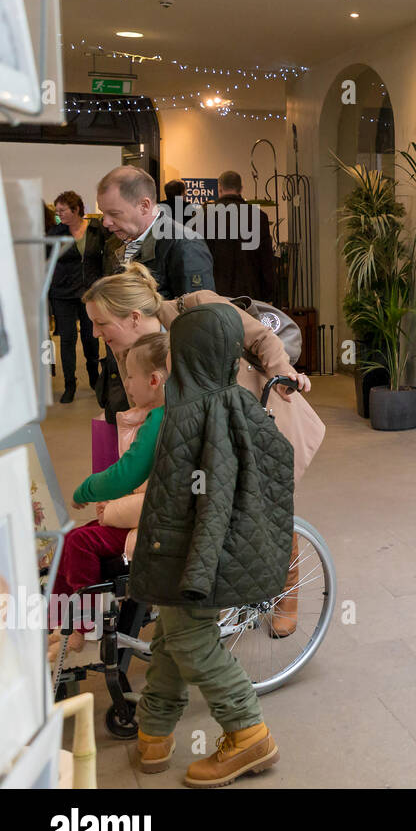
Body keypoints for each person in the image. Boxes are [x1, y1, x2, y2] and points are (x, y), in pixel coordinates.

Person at [83, 264, 323, 636]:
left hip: (253, 417)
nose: (95, 332)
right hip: (195, 437)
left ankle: (286, 588)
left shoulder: (197, 307)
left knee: (267, 501)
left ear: (133, 317)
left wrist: (285, 374)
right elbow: (138, 399)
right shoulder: (126, 347)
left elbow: (261, 339)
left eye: (101, 322)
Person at [128, 302, 294, 787]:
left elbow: (208, 500)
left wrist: (195, 574)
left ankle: (248, 734)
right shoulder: (238, 404)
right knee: (169, 640)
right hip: (217, 553)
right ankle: (155, 732)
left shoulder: (188, 415)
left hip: (191, 557)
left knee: (191, 641)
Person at [51, 333, 169, 665]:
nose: (126, 383)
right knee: (75, 541)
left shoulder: (159, 419)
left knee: (78, 543)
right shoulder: (174, 409)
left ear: (154, 379)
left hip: (151, 517)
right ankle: (59, 621)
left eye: (129, 376)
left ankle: (84, 624)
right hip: (150, 508)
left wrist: (85, 490)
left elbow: (127, 473)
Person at [96, 165, 214, 299]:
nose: (106, 222)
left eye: (114, 213)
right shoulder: (115, 243)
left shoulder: (185, 246)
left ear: (144, 206)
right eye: (103, 213)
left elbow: (199, 315)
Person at [47, 197, 101, 403]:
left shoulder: (96, 231)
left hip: (90, 293)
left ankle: (94, 377)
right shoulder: (55, 233)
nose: (59, 214)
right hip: (62, 294)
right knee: (68, 339)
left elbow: (101, 258)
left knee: (91, 337)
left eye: (63, 210)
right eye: (57, 210)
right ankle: (70, 384)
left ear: (76, 209)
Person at [206, 170, 277, 303]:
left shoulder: (202, 217)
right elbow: (266, 261)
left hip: (214, 296)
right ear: (241, 189)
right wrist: (269, 295)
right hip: (250, 296)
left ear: (219, 188)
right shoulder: (259, 217)